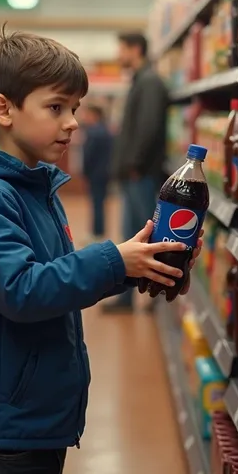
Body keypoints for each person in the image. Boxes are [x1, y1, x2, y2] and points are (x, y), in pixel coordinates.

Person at [0, 27, 201, 474]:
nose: (73, 121)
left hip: (35, 416)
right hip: (5, 427)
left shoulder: (34, 185)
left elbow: (57, 275)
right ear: (4, 110)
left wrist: (133, 261)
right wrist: (114, 262)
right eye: (56, 107)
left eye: (74, 108)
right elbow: (23, 290)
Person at [105, 32, 169, 313]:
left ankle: (155, 292)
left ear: (135, 49)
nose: (119, 55)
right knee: (131, 234)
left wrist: (135, 164)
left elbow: (149, 127)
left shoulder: (150, 82)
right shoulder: (140, 80)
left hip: (140, 173)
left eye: (121, 49)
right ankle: (128, 296)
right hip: (134, 173)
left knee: (147, 236)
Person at [82, 104, 114, 241]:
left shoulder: (94, 132)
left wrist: (85, 170)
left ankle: (97, 233)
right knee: (100, 203)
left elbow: (88, 155)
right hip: (104, 173)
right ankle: (99, 231)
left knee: (96, 203)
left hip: (95, 173)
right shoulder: (106, 131)